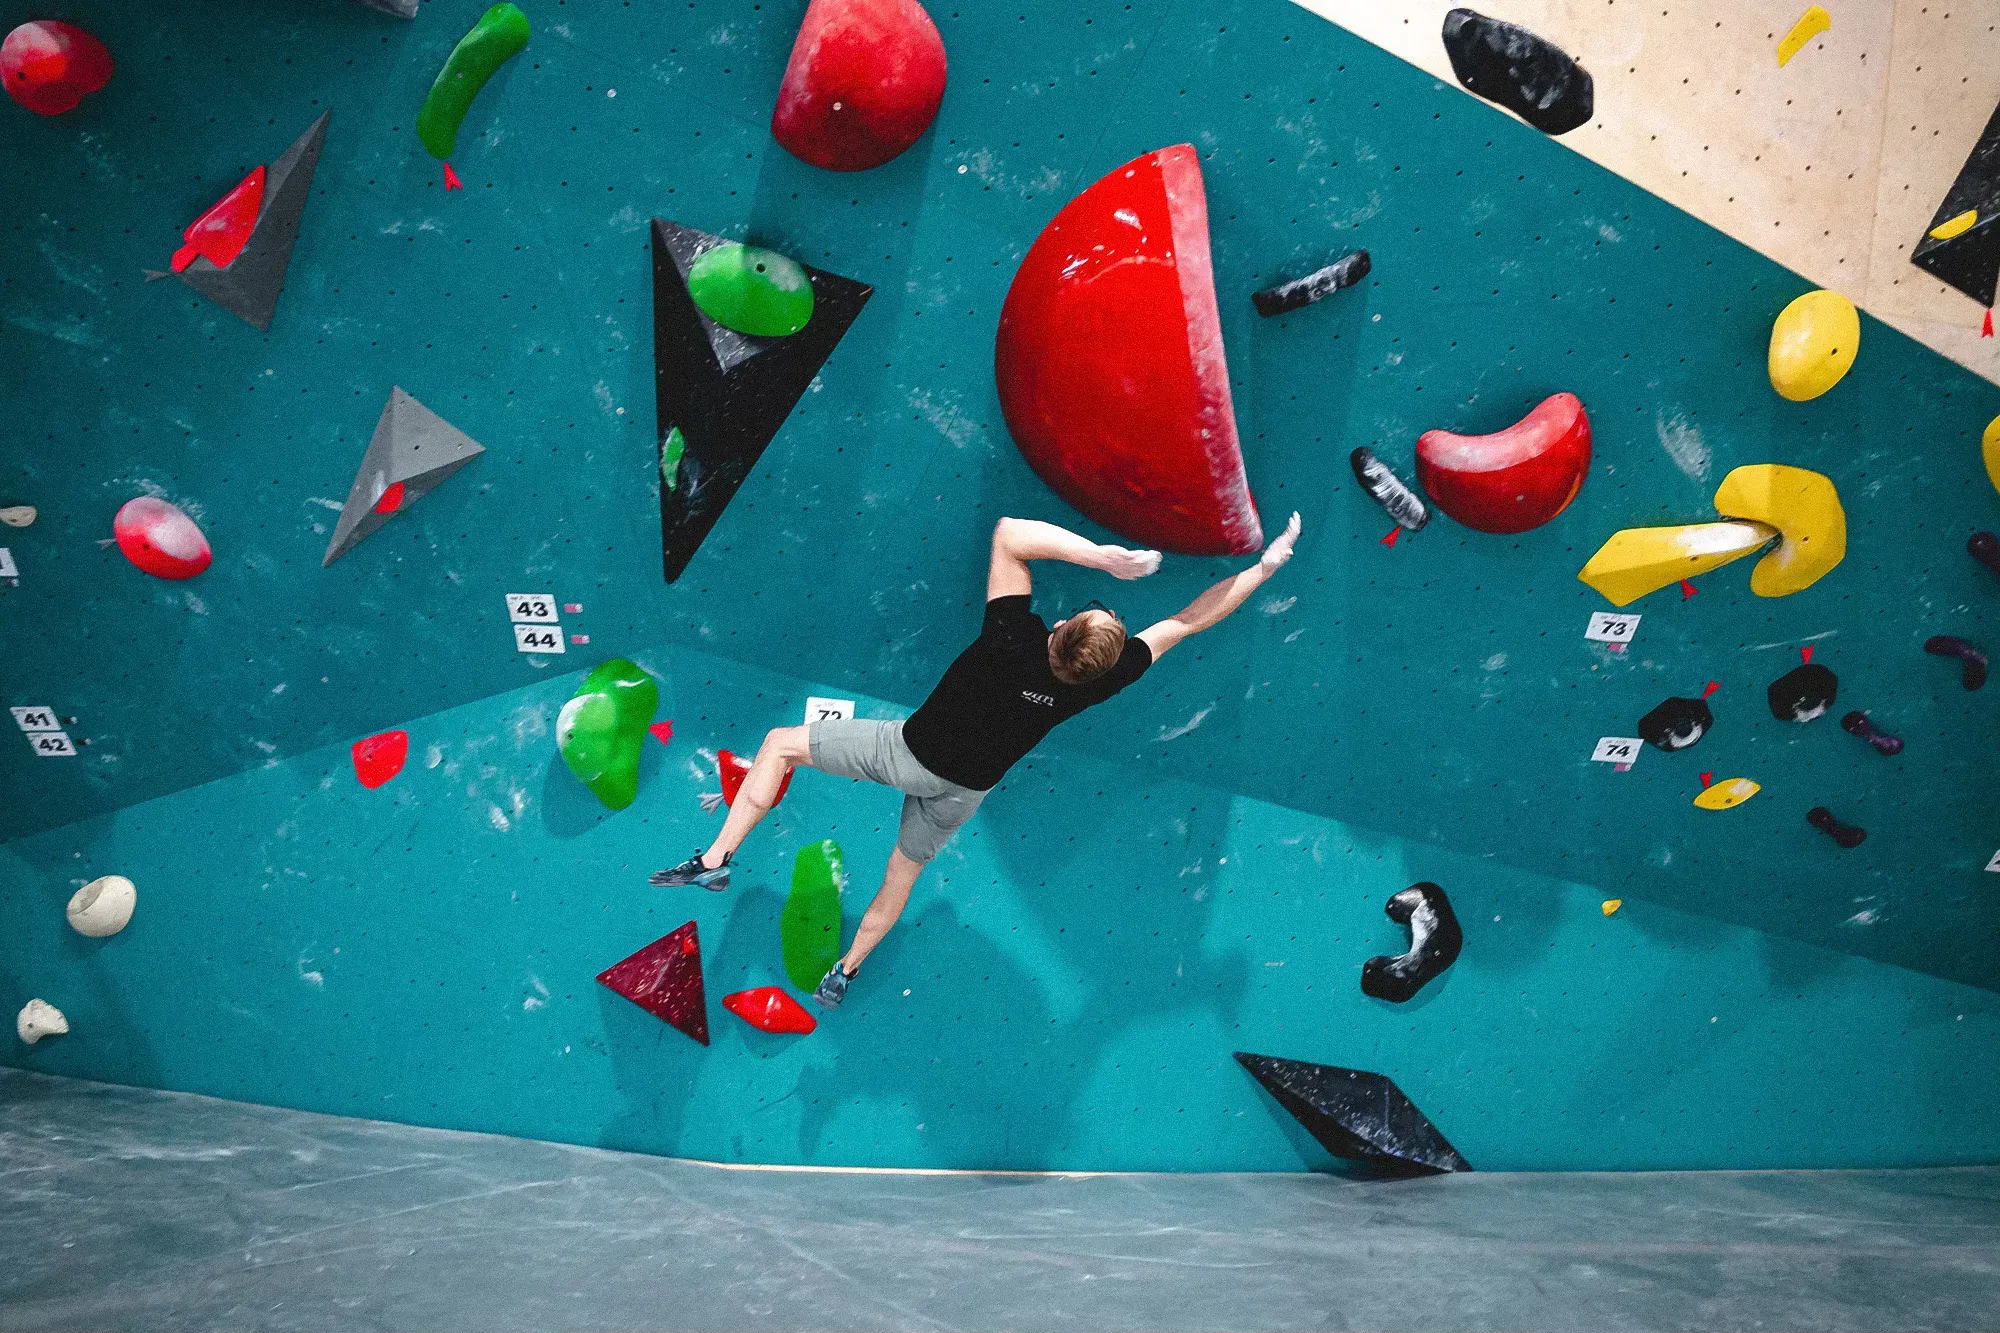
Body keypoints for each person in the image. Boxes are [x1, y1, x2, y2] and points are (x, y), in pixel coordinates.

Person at [651, 511, 1304, 1006]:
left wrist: (1103, 560)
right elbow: (1190, 619)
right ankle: (843, 972)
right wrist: (1264, 568)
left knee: (780, 744)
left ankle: (715, 861)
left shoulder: (1009, 637)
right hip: (965, 790)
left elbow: (1010, 534)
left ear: (1057, 630)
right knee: (899, 877)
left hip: (908, 754)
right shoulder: (1107, 679)